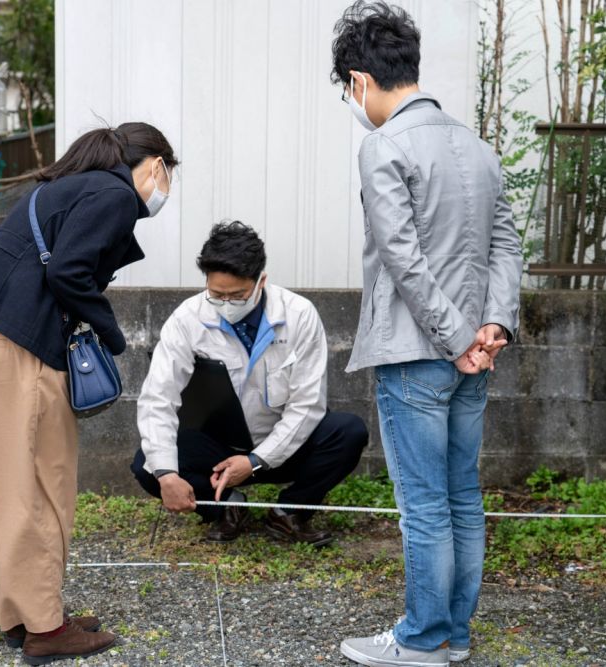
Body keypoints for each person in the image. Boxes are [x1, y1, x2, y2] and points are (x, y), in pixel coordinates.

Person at [330, 3, 524, 666]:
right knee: (461, 493)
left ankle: (419, 639)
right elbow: (506, 242)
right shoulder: (478, 145)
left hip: (418, 353)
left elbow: (401, 256)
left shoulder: (383, 146)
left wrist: (456, 336)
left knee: (424, 504)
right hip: (472, 357)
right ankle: (453, 634)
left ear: (360, 80)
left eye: (346, 91)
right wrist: (490, 327)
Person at [0, 123, 178, 665]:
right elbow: (71, 273)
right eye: (169, 175)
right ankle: (46, 630)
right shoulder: (115, 193)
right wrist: (113, 336)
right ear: (156, 164)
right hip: (21, 345)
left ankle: (20, 613)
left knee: (8, 482)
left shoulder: (67, 186)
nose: (164, 189)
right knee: (42, 483)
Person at [131, 221, 369, 546]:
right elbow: (158, 398)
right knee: (148, 464)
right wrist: (167, 475)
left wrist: (256, 461)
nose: (227, 304)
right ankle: (227, 508)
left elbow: (307, 406)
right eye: (216, 295)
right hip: (218, 448)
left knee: (348, 432)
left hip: (284, 446)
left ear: (261, 282)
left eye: (238, 295)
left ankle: (288, 513)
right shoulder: (187, 320)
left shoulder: (299, 315)